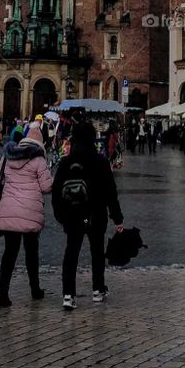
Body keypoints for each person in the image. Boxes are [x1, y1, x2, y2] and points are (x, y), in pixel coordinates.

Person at [52, 121, 124, 311]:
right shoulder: (100, 161)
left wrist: (60, 215)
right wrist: (117, 218)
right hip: (94, 215)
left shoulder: (66, 162)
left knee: (71, 252)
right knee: (97, 251)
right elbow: (111, 191)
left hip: (74, 215)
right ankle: (98, 290)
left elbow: (56, 190)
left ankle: (68, 294)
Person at [0, 121, 52, 307]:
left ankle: (2, 294)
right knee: (31, 253)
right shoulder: (39, 160)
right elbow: (47, 187)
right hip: (30, 211)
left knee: (9, 253)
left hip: (9, 209)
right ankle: (35, 289)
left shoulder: (8, 157)